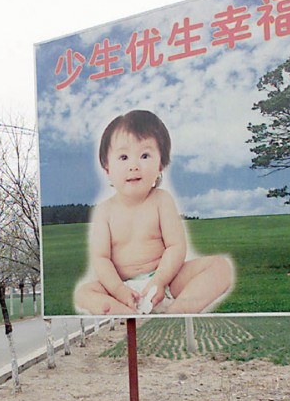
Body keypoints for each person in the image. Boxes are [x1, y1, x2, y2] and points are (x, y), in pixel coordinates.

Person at [74, 110, 233, 315]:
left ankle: (178, 311)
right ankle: (126, 313)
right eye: (123, 157)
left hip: (167, 281)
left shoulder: (162, 200)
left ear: (161, 164)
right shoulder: (105, 211)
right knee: (84, 293)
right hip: (123, 288)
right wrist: (119, 290)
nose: (134, 165)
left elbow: (176, 246)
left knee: (220, 267)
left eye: (145, 155)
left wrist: (159, 281)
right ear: (107, 167)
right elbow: (101, 258)